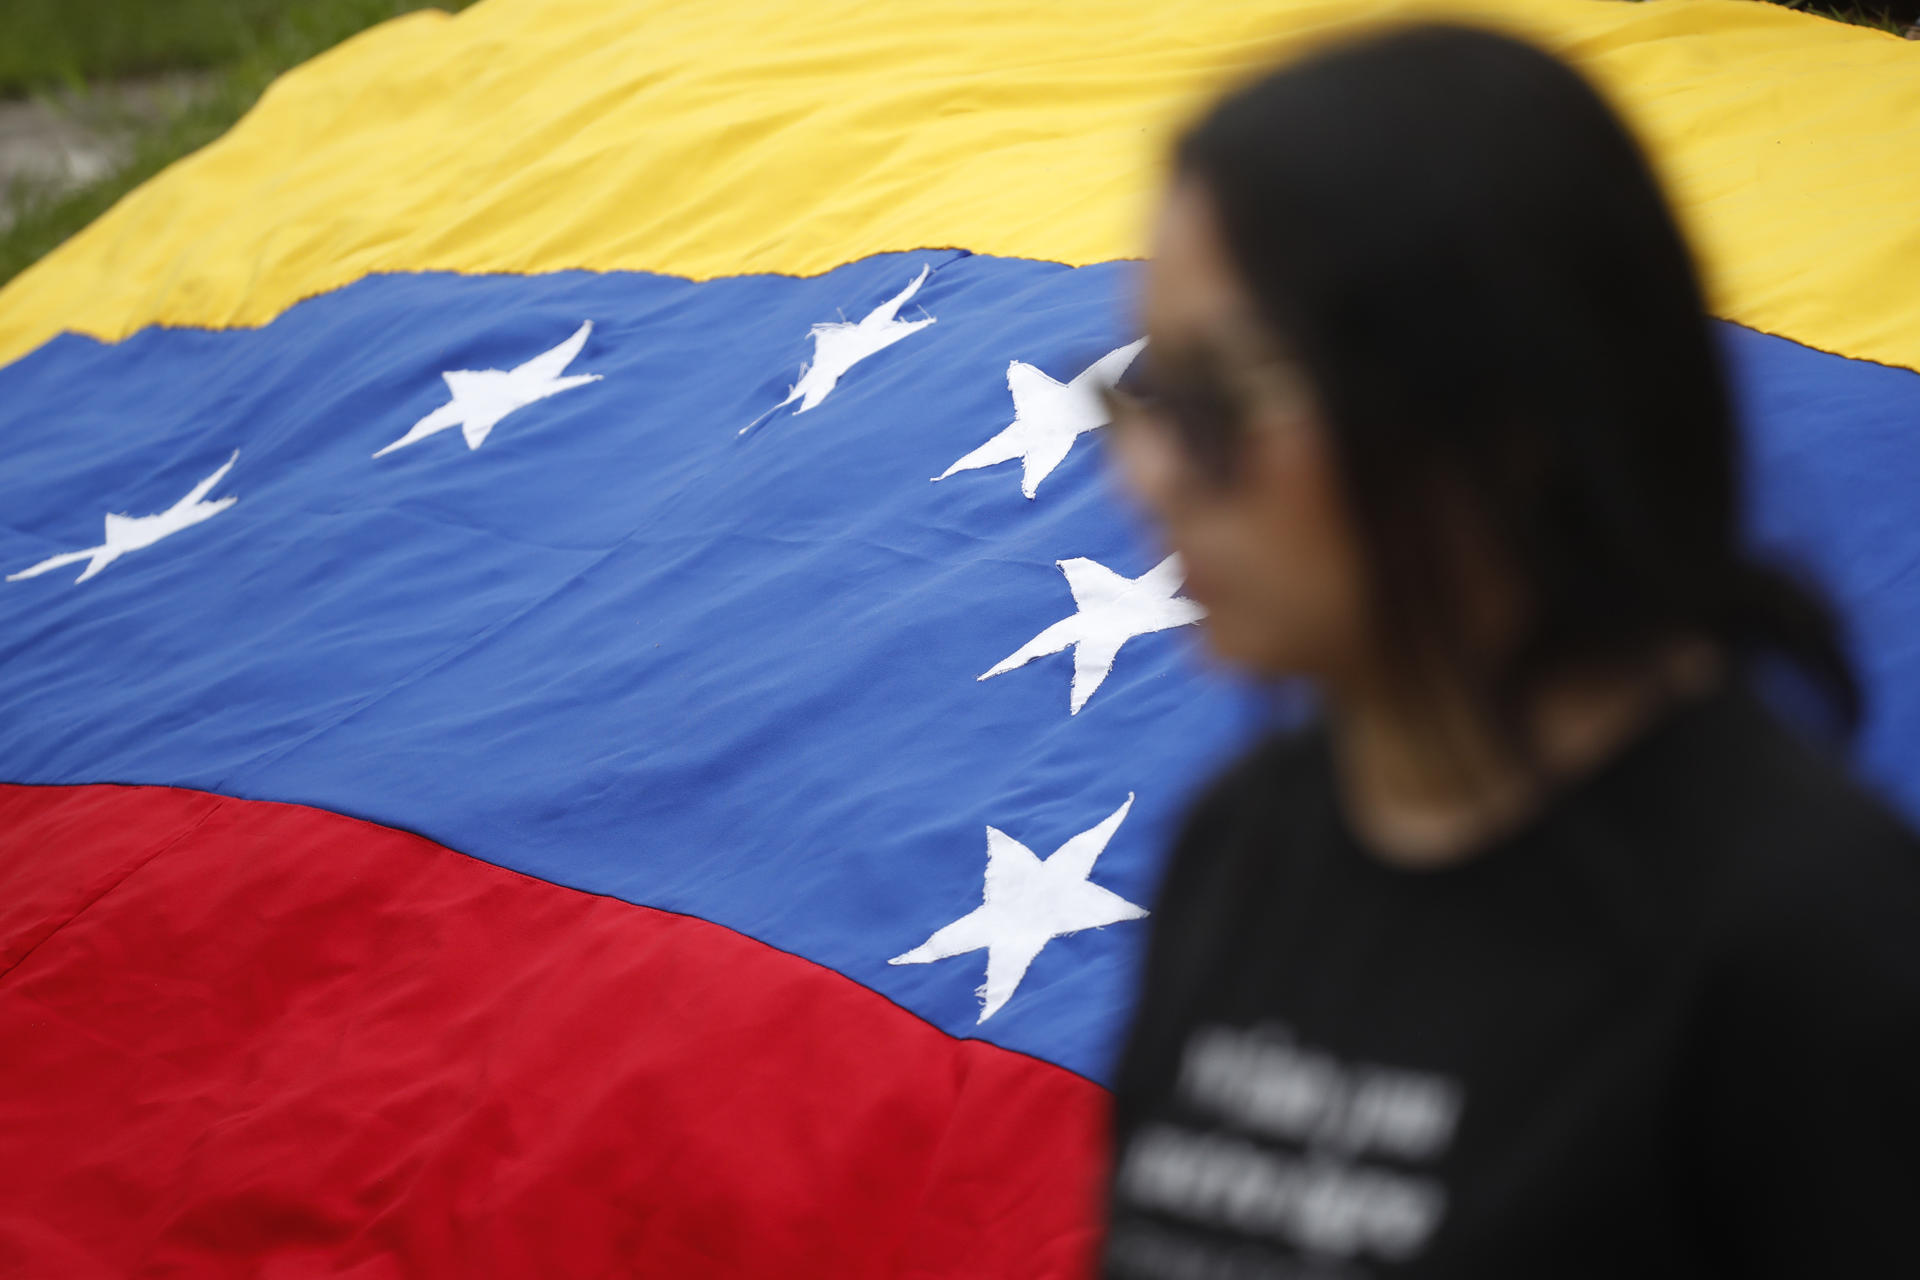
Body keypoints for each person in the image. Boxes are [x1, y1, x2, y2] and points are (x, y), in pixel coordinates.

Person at [1097, 22, 1920, 1279]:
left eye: (1224, 402)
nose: (1145, 471)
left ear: (1502, 413)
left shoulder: (1811, 947)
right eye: (1145, 395)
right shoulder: (1239, 844)